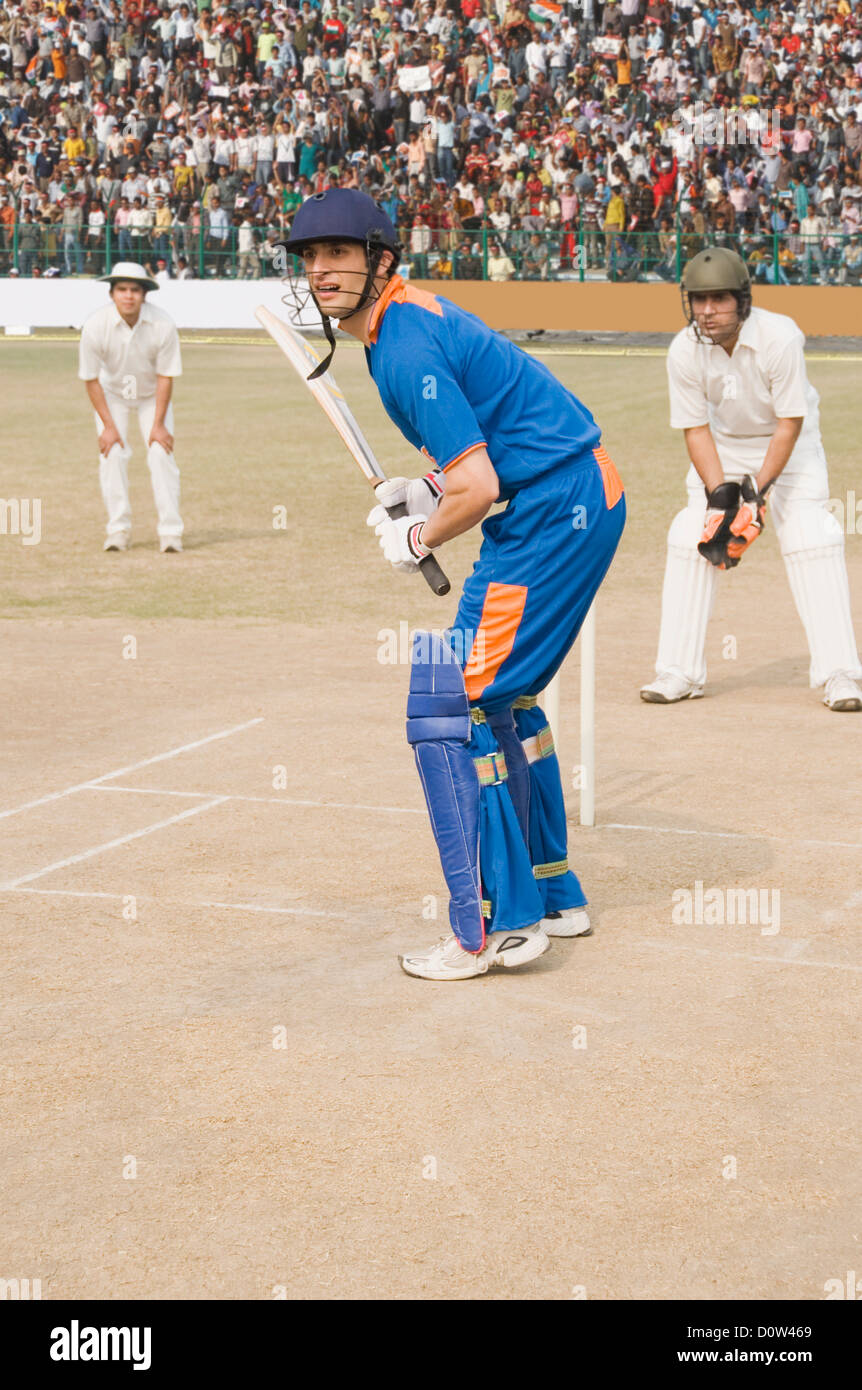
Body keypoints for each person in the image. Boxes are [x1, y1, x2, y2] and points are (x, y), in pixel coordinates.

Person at [280, 190, 626, 981]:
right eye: (309, 258)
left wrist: (420, 532)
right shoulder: (408, 321)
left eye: (339, 255)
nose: (322, 271)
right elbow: (479, 449)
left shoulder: (399, 345)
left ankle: (497, 927)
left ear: (382, 261)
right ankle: (551, 893)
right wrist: (424, 489)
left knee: (452, 700)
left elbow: (479, 485)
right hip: (577, 492)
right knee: (504, 697)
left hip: (553, 512)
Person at [640, 248, 862, 713]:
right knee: (689, 535)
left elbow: (790, 422)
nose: (707, 310)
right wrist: (721, 494)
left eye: (718, 299)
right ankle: (679, 671)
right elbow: (695, 429)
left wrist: (755, 494)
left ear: (742, 300)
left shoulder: (779, 336)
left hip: (791, 450)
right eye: (699, 300)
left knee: (811, 537)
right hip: (724, 449)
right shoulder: (684, 349)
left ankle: (840, 673)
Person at [78, 261, 184, 553]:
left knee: (160, 454)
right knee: (112, 454)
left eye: (134, 290)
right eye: (122, 290)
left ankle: (171, 532)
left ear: (144, 294)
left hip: (152, 397)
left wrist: (158, 425)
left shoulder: (162, 324)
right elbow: (90, 379)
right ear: (112, 294)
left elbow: (166, 375)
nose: (128, 296)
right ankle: (118, 530)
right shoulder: (95, 326)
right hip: (112, 396)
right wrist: (109, 427)